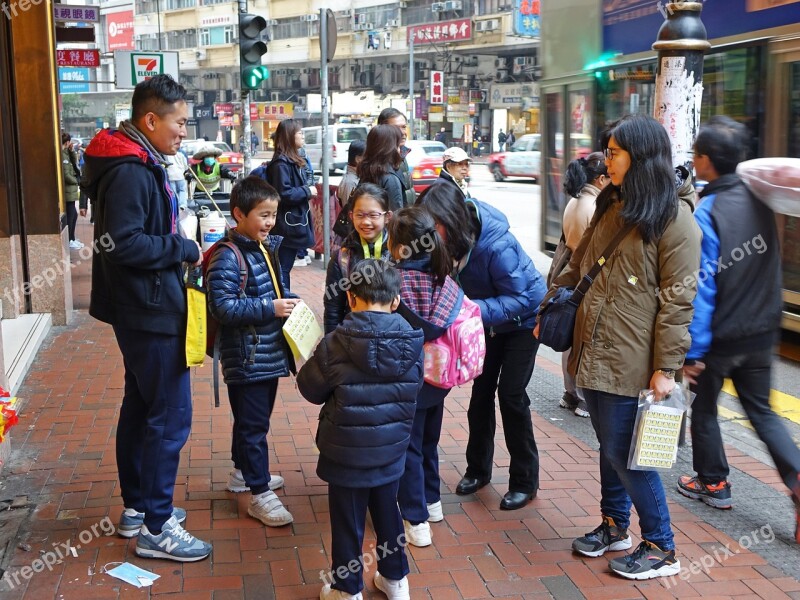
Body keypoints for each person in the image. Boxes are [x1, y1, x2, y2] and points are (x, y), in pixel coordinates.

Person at [537, 114, 701, 579]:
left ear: (642, 157)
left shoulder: (675, 221)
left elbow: (678, 302)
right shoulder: (614, 202)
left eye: (613, 154)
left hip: (634, 357)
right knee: (611, 445)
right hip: (595, 345)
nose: (604, 161)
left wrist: (666, 367)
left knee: (631, 453)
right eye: (606, 152)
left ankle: (662, 546)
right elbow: (578, 263)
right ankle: (615, 525)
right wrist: (548, 305)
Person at [81, 74, 212, 561]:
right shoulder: (132, 169)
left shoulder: (134, 159)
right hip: (149, 308)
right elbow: (124, 242)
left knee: (140, 405)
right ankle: (157, 526)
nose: (183, 132)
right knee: (170, 416)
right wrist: (184, 247)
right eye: (178, 123)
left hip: (139, 305)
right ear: (150, 120)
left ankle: (139, 507)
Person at [677, 116, 800, 537]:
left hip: (722, 339)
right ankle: (797, 481)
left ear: (708, 162)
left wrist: (694, 351)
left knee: (705, 407)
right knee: (762, 412)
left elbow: (703, 287)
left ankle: (713, 482)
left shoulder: (708, 210)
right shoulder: (761, 199)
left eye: (696, 155)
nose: (693, 161)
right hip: (762, 331)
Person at [297, 259, 424, 600]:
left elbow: (310, 390)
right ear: (395, 301)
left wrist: (314, 358)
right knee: (388, 515)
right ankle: (396, 581)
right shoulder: (413, 343)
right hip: (391, 449)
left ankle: (347, 589)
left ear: (350, 298)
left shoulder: (335, 343)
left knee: (347, 522)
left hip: (345, 452)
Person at [417, 183, 546, 511]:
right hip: (486, 323)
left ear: (451, 218)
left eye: (434, 225)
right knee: (481, 393)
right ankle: (478, 471)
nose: (430, 233)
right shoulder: (446, 241)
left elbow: (524, 296)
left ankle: (524, 481)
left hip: (522, 322)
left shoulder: (494, 243)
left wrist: (470, 309)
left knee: (511, 396)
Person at [206, 176, 299, 527]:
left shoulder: (262, 247)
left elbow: (273, 288)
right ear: (238, 214)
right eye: (263, 214)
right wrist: (272, 308)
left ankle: (243, 473)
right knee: (253, 426)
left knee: (251, 421)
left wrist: (289, 303)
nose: (270, 221)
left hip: (266, 351)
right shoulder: (227, 257)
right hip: (247, 355)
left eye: (273, 214)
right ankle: (259, 493)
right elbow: (224, 308)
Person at [388, 206, 461, 548]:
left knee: (410, 448)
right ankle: (433, 504)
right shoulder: (444, 277)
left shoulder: (396, 281)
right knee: (429, 443)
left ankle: (416, 520)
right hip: (439, 376)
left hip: (409, 379)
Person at [555, 152, 609, 418]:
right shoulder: (594, 207)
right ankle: (583, 398)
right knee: (584, 342)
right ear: (600, 179)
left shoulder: (575, 202)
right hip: (584, 280)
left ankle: (570, 393)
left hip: (571, 277)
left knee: (571, 341)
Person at [323, 183, 391, 334]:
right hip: (353, 338)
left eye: (373, 215)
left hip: (391, 338)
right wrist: (330, 345)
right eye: (359, 215)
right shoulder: (341, 258)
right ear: (351, 216)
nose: (366, 222)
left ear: (387, 217)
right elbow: (333, 309)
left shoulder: (399, 253)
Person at [265, 119, 316, 290]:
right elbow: (283, 193)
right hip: (286, 225)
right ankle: (282, 302)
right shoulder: (281, 163)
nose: (302, 135)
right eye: (299, 132)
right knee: (283, 268)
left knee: (284, 267)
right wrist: (307, 191)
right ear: (289, 136)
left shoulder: (291, 159)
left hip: (292, 222)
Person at [358, 124, 409, 212]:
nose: (399, 150)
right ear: (390, 148)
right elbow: (395, 216)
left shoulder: (368, 171)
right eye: (397, 145)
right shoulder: (390, 178)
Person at [377, 108, 416, 207]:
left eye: (404, 127)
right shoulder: (378, 163)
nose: (403, 132)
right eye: (396, 128)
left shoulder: (402, 154)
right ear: (383, 130)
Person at [61, 132, 83, 250]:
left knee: (73, 215)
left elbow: (75, 163)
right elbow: (66, 174)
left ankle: (72, 238)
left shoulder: (66, 153)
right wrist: (76, 181)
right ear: (68, 142)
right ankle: (69, 239)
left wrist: (72, 151)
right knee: (71, 215)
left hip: (71, 190)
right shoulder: (62, 155)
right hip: (68, 190)